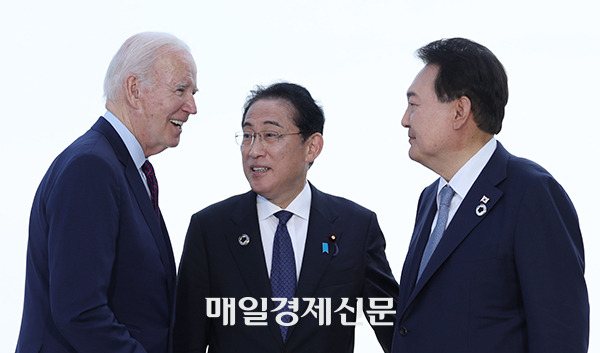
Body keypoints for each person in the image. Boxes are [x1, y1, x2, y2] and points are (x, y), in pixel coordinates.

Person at [392, 37, 589, 353]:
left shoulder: (530, 192)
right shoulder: (431, 199)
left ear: (460, 110)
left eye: (414, 105)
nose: (404, 119)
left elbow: (559, 333)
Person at [174, 82, 398, 353]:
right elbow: (186, 340)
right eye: (247, 135)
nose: (254, 150)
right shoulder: (210, 229)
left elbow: (395, 330)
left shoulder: (356, 228)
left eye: (270, 135)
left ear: (312, 147)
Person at [15, 32, 198, 353]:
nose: (192, 107)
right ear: (134, 90)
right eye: (180, 90)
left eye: (192, 93)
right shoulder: (91, 167)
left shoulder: (121, 167)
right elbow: (80, 311)